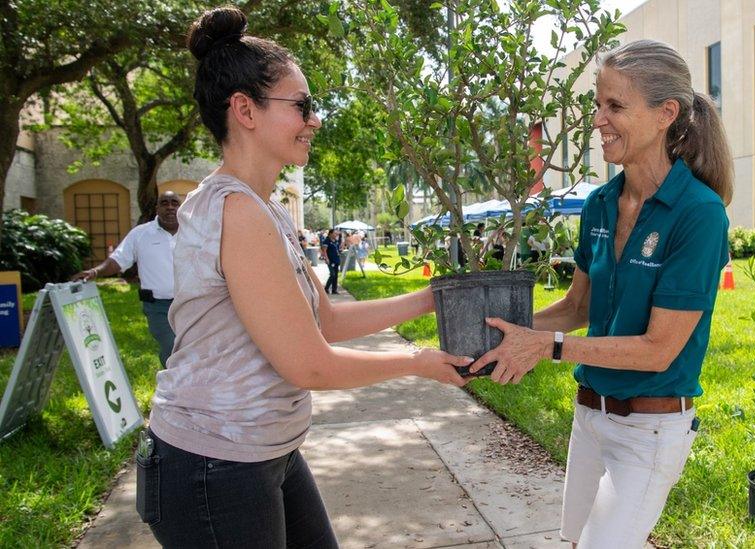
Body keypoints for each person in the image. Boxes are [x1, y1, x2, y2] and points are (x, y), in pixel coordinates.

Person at [137, 8, 471, 547]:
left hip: (265, 450)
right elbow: (309, 363)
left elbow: (327, 320)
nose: (314, 120)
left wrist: (431, 299)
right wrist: (418, 364)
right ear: (244, 109)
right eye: (302, 106)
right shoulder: (236, 212)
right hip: (212, 462)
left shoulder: (264, 208)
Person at [469, 40, 733, 548]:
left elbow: (659, 350)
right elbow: (577, 308)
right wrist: (498, 330)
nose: (597, 120)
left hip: (649, 431)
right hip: (589, 418)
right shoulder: (600, 203)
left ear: (666, 115)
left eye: (614, 106)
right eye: (597, 105)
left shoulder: (698, 214)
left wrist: (547, 347)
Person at [71, 191, 182, 368]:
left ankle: (189, 387)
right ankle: (175, 387)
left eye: (174, 203)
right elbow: (117, 260)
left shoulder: (194, 232)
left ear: (181, 207)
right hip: (158, 306)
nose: (170, 207)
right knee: (172, 347)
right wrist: (95, 271)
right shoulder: (140, 234)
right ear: (157, 208)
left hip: (191, 303)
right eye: (164, 203)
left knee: (194, 349)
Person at [324, 229, 341, 294]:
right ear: (330, 233)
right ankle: (326, 288)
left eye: (336, 234)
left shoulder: (335, 241)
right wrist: (326, 259)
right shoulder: (327, 240)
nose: (336, 235)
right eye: (335, 233)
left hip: (336, 260)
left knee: (336, 275)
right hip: (330, 261)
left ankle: (334, 290)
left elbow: (337, 249)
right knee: (332, 274)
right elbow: (324, 251)